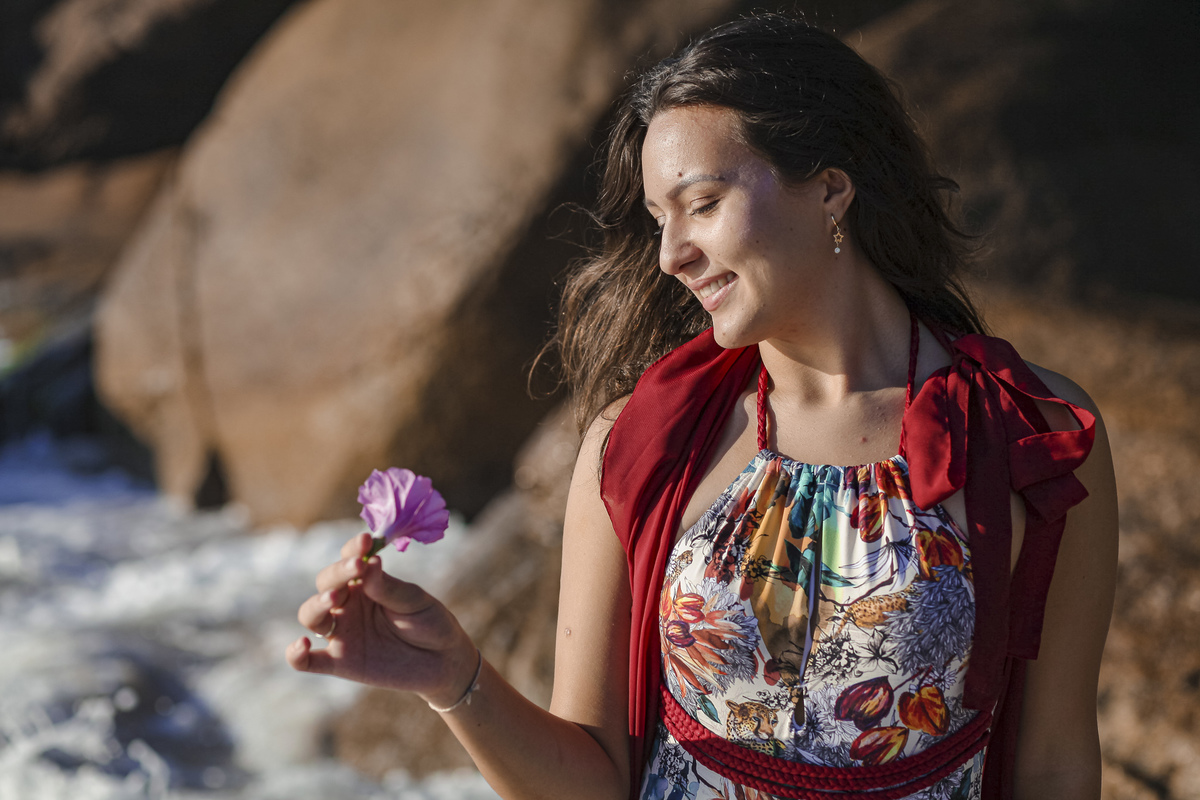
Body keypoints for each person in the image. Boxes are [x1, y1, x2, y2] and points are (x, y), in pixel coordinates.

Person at [286, 14, 1117, 800]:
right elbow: (595, 775)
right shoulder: (643, 443)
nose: (672, 255)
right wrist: (452, 677)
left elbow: (1054, 767)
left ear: (830, 189)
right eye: (657, 219)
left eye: (704, 204)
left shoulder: (1032, 433)